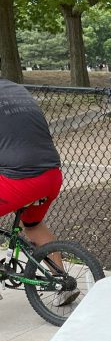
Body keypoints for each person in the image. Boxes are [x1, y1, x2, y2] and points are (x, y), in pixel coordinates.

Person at [0, 79, 76, 305]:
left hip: (20, 180)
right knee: (33, 225)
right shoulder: (16, 89)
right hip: (51, 176)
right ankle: (62, 282)